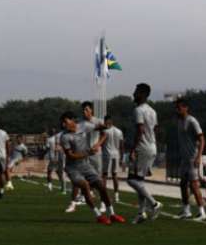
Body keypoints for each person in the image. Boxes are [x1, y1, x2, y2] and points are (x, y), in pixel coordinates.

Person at [59, 111, 125, 225]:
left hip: (86, 165)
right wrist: (88, 153)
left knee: (101, 187)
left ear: (72, 120)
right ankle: (98, 215)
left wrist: (98, 142)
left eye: (65, 121)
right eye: (63, 123)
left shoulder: (84, 126)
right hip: (73, 168)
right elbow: (70, 155)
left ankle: (112, 214)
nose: (64, 125)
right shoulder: (64, 137)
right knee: (85, 185)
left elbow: (103, 131)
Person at [126, 83, 162, 224]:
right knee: (139, 182)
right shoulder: (153, 111)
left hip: (143, 147)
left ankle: (153, 204)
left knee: (131, 180)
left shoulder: (139, 110)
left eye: (136, 92)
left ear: (142, 94)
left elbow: (139, 131)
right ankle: (141, 213)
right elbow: (156, 130)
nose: (134, 94)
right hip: (152, 146)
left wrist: (134, 149)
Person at [66, 101, 105, 213]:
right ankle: (73, 203)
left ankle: (103, 203)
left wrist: (97, 144)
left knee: (98, 179)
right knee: (77, 178)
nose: (85, 112)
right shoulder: (81, 124)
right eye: (83, 110)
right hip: (82, 154)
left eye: (87, 110)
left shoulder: (98, 121)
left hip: (95, 154)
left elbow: (104, 134)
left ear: (91, 110)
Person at [174, 98, 206, 221]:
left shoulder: (192, 121)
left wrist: (198, 156)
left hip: (192, 158)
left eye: (179, 107)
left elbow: (202, 139)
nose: (177, 110)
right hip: (184, 158)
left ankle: (202, 212)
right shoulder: (179, 121)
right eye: (176, 108)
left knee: (194, 185)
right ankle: (186, 211)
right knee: (183, 184)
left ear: (186, 108)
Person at [101, 115, 124, 202]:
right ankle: (116, 196)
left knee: (104, 175)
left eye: (105, 121)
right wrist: (121, 157)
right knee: (115, 175)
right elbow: (122, 145)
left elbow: (101, 143)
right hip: (116, 154)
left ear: (107, 121)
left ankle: (103, 195)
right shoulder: (119, 131)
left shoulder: (105, 131)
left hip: (107, 154)